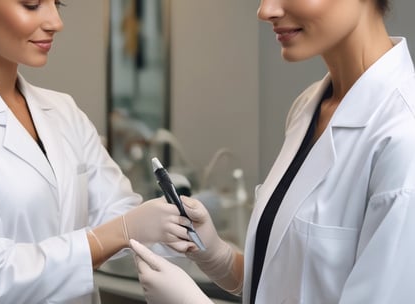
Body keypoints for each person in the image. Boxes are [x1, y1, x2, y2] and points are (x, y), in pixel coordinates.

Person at [0, 1, 190, 303]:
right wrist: (118, 232)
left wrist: (181, 230)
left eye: (56, 3)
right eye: (32, 4)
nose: (55, 22)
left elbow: (119, 212)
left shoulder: (63, 110)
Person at [130, 0, 415, 303]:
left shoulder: (402, 133)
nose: (265, 11)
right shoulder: (308, 106)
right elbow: (286, 284)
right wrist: (218, 256)